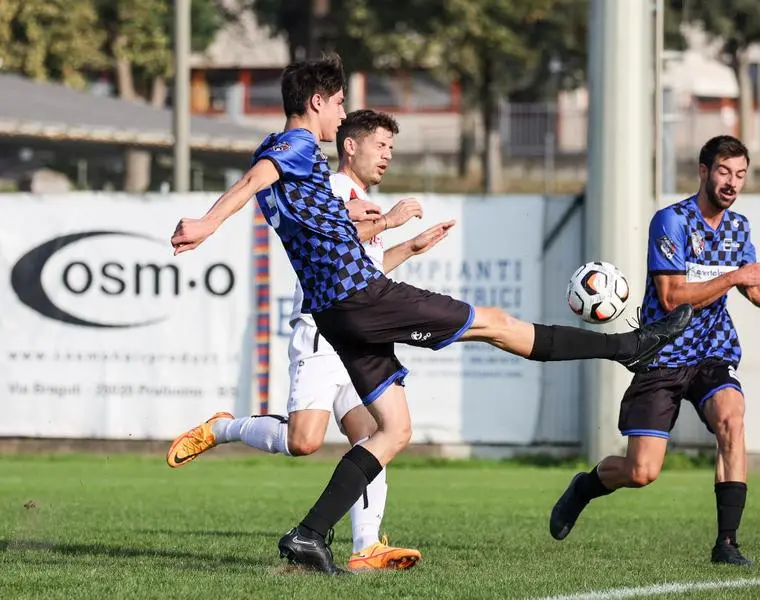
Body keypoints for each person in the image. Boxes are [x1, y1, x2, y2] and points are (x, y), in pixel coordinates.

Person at [169, 54, 693, 575]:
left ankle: (309, 536)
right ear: (317, 103)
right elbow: (257, 178)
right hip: (361, 298)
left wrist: (353, 217)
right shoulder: (298, 144)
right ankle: (629, 346)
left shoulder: (294, 161)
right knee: (495, 325)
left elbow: (298, 205)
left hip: (336, 314)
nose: (341, 114)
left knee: (393, 430)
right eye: (340, 104)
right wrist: (208, 222)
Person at [165, 109, 453, 572]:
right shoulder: (332, 189)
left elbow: (364, 274)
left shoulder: (356, 194)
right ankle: (223, 428)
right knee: (303, 442)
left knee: (373, 434)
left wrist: (412, 248)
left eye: (392, 150)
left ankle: (366, 547)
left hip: (352, 334)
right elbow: (341, 241)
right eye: (381, 146)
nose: (388, 157)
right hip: (321, 331)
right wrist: (390, 222)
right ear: (351, 146)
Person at [547, 135, 760, 567]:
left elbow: (754, 289)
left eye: (740, 174)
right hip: (661, 353)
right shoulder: (671, 221)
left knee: (732, 420)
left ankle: (727, 544)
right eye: (724, 172)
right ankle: (584, 487)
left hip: (712, 351)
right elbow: (670, 296)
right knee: (641, 471)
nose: (732, 183)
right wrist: (734, 277)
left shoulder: (738, 228)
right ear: (703, 171)